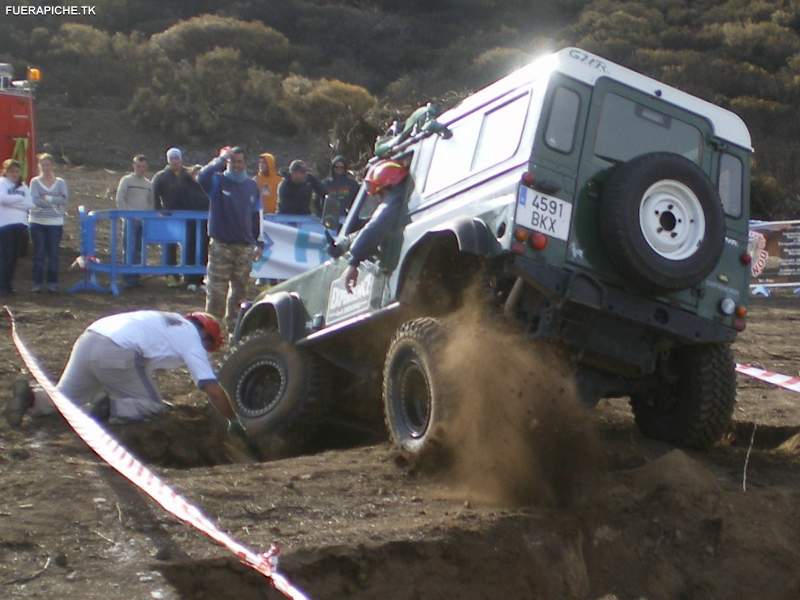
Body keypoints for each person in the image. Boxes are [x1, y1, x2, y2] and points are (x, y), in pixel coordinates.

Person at [4, 311, 241, 431]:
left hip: (90, 338)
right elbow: (212, 388)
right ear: (206, 337)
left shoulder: (165, 323)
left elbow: (142, 369)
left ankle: (32, 397)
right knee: (152, 406)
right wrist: (234, 421)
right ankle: (107, 407)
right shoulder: (192, 339)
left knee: (64, 401)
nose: (207, 352)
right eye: (210, 347)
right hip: (118, 350)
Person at [198, 146, 262, 331]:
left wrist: (259, 242)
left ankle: (234, 329)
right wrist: (220, 158)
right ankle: (211, 331)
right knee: (216, 293)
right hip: (221, 245)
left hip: (244, 247)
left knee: (240, 293)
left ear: (245, 163)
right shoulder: (218, 181)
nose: (236, 165)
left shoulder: (252, 186)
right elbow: (202, 177)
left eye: (240, 161)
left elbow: (256, 216)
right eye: (232, 161)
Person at [344, 159, 409, 294]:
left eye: (379, 194)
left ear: (386, 187)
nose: (380, 199)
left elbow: (375, 226)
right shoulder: (409, 193)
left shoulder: (395, 199)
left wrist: (354, 261)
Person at [151, 148, 198, 287]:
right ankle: (171, 276)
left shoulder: (188, 174)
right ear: (168, 160)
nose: (175, 161)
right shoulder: (161, 176)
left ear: (181, 159)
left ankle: (189, 277)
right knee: (169, 246)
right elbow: (154, 195)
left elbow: (198, 191)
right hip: (169, 216)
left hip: (189, 216)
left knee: (190, 245)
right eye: (172, 159)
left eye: (177, 158)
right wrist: (158, 211)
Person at [115, 154, 153, 287]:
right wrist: (128, 214)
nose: (140, 169)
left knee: (139, 248)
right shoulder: (126, 180)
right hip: (130, 220)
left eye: (143, 166)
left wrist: (146, 216)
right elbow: (120, 199)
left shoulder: (149, 184)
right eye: (138, 166)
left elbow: (151, 202)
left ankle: (136, 276)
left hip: (143, 221)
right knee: (129, 248)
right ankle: (128, 277)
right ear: (133, 166)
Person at [0, 159, 33, 296]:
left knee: (15, 257)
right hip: (5, 225)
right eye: (12, 171)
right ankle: (2, 286)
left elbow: (30, 204)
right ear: (6, 172)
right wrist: (19, 199)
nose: (15, 174)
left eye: (17, 171)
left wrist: (13, 201)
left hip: (21, 225)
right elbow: (2, 199)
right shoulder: (2, 183)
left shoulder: (23, 186)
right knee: (6, 256)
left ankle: (8, 285)